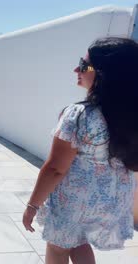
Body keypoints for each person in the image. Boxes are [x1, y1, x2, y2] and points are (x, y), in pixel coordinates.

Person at [23, 37, 138, 264]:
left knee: (57, 249)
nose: (77, 69)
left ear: (105, 73)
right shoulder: (131, 115)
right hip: (109, 201)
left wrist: (32, 205)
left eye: (84, 65)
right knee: (79, 242)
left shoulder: (79, 115)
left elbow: (56, 168)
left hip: (75, 202)